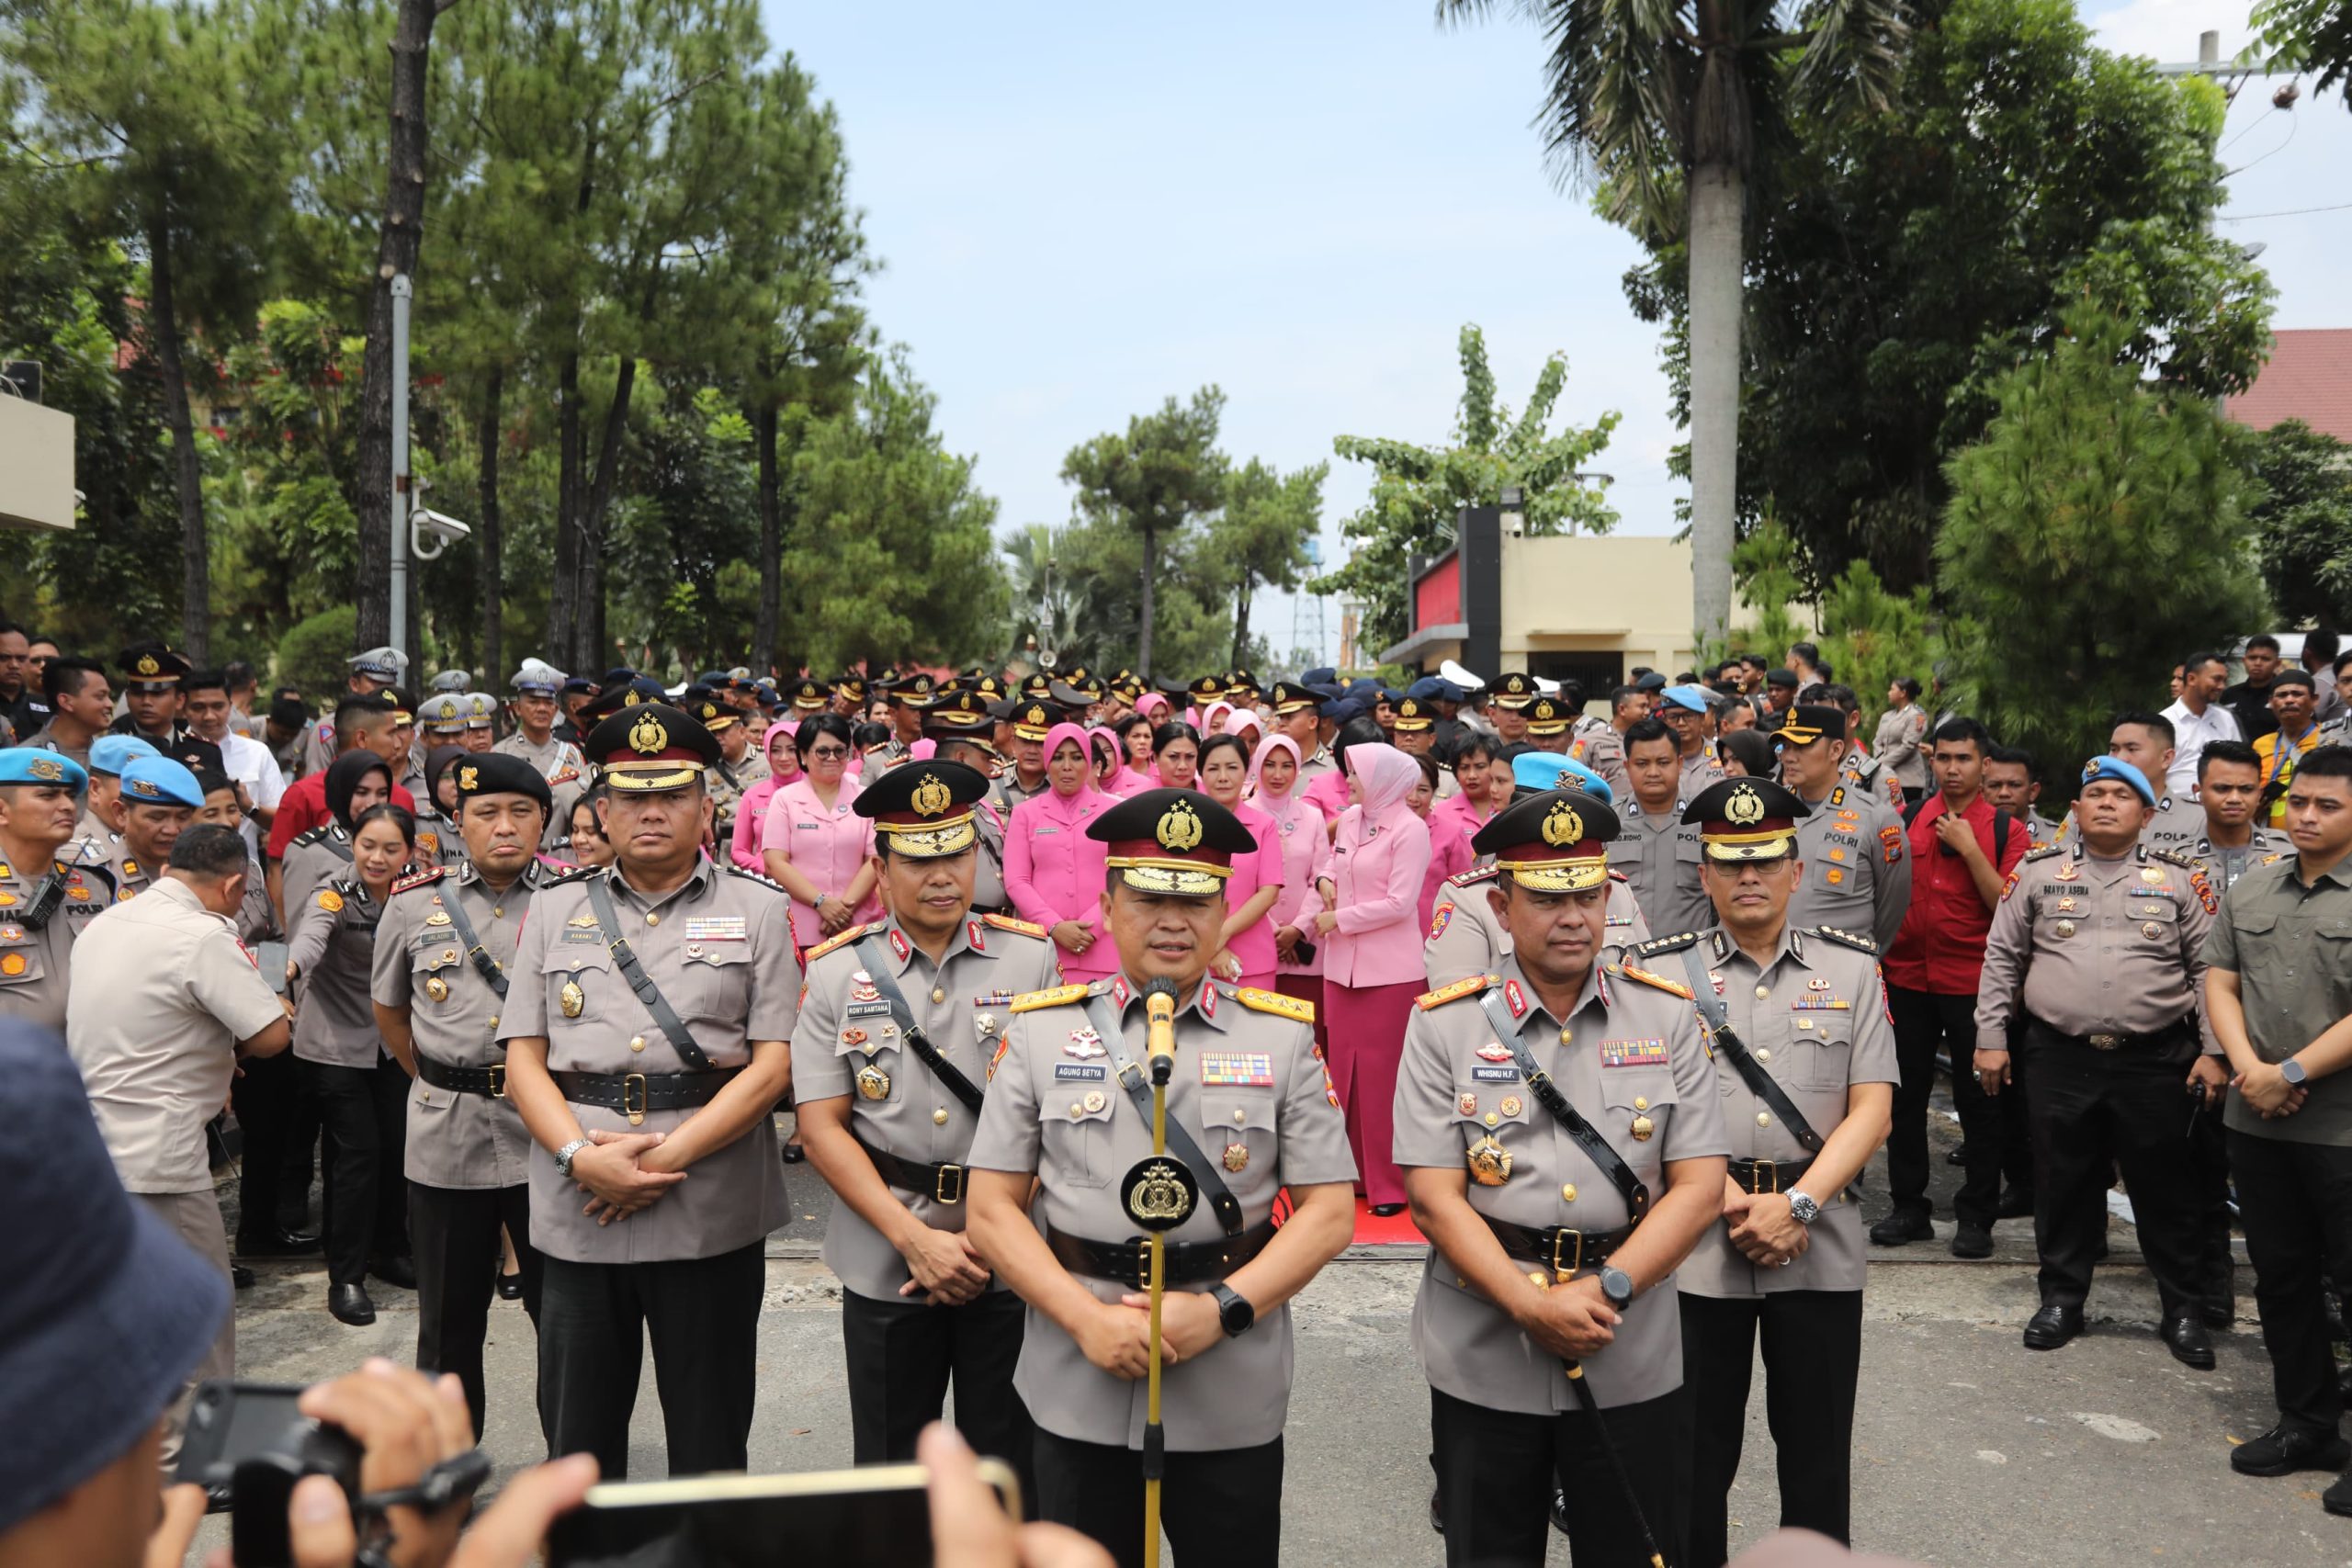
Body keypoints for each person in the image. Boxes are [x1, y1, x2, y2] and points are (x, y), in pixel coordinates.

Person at [964, 786, 1358, 1568]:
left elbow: (1328, 1212)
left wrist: (1224, 1310)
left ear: (1224, 912)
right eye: (1148, 897)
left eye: (1198, 900)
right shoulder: (1044, 1031)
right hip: (1079, 1370)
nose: (1174, 921)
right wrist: (1083, 1319)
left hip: (1229, 1372)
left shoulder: (1279, 1038)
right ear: (1107, 906)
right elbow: (992, 1210)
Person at [1394, 784, 1726, 1568]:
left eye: (1587, 893)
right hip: (1485, 1341)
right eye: (1547, 897)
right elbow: (1433, 1197)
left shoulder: (1669, 1015)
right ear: (1503, 908)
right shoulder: (1445, 1023)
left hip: (1628, 1341)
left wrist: (1606, 1289)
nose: (1573, 915)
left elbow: (1700, 1186)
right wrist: (1527, 1303)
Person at [498, 702, 797, 1479]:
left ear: (707, 805)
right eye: (632, 796)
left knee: (709, 1433)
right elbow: (523, 1058)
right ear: (602, 808)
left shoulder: (759, 909)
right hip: (579, 1206)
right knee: (579, 1442)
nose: (652, 812)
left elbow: (772, 1065)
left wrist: (665, 1156)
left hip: (709, 1202)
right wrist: (575, 1155)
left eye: (672, 794)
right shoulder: (554, 909)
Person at [1642, 778, 1897, 1567]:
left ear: (1794, 868)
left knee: (1818, 1459)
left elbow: (1873, 1106)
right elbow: (1644, 1107)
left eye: (1765, 860)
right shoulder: (1657, 973)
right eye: (1730, 862)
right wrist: (1720, 1197)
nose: (1748, 876)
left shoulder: (1852, 970)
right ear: (1705, 875)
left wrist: (1798, 1203)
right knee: (1691, 1459)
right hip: (1696, 1245)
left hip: (1817, 1238)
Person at [792, 760, 1058, 1491]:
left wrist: (982, 1234)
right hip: (886, 1252)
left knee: (1005, 1471)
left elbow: (1054, 1120)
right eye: (918, 857)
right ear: (880, 868)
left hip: (1003, 1252)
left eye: (956, 851)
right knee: (890, 1472)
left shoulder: (1031, 958)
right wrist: (915, 1239)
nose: (942, 873)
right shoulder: (836, 973)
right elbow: (821, 1127)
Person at [1972, 755, 2222, 1367]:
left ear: (2145, 811)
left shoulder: (2180, 880)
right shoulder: (2035, 874)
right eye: (2095, 794)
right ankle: (2062, 1298)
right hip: (2059, 1054)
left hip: (2157, 1057)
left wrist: (2215, 1049)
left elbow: (2209, 971)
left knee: (2166, 1186)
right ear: (2076, 811)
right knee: (2062, 1181)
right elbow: (2002, 957)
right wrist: (1990, 1035)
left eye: (2121, 794)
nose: (2107, 802)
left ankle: (2183, 1308)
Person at [63, 822, 289, 1463]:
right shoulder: (202, 934)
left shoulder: (108, 919)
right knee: (196, 1304)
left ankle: (135, 1443)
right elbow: (271, 1036)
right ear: (234, 884)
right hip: (158, 1150)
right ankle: (191, 1454)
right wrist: (247, 1027)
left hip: (97, 1141)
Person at [372, 754, 557, 1439]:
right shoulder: (413, 901)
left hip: (548, 1137)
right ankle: (446, 1468)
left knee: (563, 1318)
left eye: (520, 812)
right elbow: (391, 1013)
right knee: (448, 1324)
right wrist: (438, 1076)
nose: (503, 828)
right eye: (486, 813)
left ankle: (570, 1462)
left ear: (544, 820)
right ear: (458, 821)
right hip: (445, 1135)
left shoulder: (574, 899)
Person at [2204, 746, 2352, 1511]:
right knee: (2284, 1277)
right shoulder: (2255, 886)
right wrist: (2249, 1068)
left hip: (2342, 1130)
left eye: (2328, 805)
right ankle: (2307, 1423)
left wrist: (2287, 1073)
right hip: (2257, 1121)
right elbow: (2219, 978)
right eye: (2299, 802)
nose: (2308, 816)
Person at [1873, 718, 2032, 1257]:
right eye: (1943, 758)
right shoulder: (1911, 817)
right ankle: (1908, 1209)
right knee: (1903, 1100)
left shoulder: (2009, 833)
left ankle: (1976, 1216)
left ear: (1984, 765)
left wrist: (1969, 848)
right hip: (1907, 981)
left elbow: (2008, 910)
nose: (1952, 768)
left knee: (1981, 1105)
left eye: (1963, 758)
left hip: (1974, 987)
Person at [288, 798, 418, 1325]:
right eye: (368, 846)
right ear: (352, 844)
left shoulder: (420, 891)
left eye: (391, 848)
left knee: (397, 1149)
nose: (378, 858)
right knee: (357, 1155)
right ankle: (345, 1275)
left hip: (394, 1043)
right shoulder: (334, 892)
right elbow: (309, 938)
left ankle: (390, 1250)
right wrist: (289, 970)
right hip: (337, 1043)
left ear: (408, 851)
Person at [1316, 742, 1432, 1218]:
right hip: (1341, 970)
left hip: (1390, 974)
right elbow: (1333, 862)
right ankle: (1353, 1175)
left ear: (1381, 778)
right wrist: (1324, 880)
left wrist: (1338, 918)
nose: (1348, 782)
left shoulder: (1411, 829)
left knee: (1384, 1078)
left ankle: (1389, 1185)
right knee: (1342, 1073)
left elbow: (1400, 903)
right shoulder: (1349, 819)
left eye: (1355, 774)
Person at [1426, 754, 1651, 989]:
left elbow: (1642, 987)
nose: (1572, 919)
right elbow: (1458, 1008)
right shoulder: (1468, 900)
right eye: (1546, 900)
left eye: (1589, 898)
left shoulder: (1617, 890)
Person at [1772, 704, 1912, 953]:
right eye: (1785, 746)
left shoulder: (1875, 818)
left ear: (1836, 750)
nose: (1789, 757)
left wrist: (1866, 956)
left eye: (1802, 746)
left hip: (1844, 972)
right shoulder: (1771, 811)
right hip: (1778, 965)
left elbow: (1892, 905)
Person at [0, 748, 112, 1031]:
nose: (67, 806)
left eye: (70, 796)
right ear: (2, 810)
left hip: (87, 1061)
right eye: (48, 795)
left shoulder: (94, 885)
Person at [1006, 721, 1118, 987]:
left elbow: (1123, 877)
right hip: (1043, 949)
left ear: (1090, 763)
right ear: (1047, 762)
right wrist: (1055, 927)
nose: (1067, 766)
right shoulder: (1026, 814)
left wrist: (1093, 926)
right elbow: (1016, 881)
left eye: (1077, 757)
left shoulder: (1113, 813)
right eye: (1058, 757)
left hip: (1104, 948)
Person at [760, 711, 880, 949]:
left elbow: (874, 859)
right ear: (803, 755)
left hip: (859, 926)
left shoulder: (866, 797)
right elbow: (775, 862)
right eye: (822, 751)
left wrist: (843, 909)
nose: (832, 758)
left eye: (839, 750)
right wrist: (821, 903)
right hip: (803, 926)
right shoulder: (784, 799)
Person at [1609, 716, 1711, 939]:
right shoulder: (1608, 823)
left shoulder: (1705, 822)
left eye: (1663, 763)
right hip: (1625, 956)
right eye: (1642, 764)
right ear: (1627, 766)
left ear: (1680, 763)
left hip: (1691, 955)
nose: (1653, 772)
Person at [282, 749, 399, 923]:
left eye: (382, 793)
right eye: (361, 792)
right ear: (341, 793)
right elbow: (300, 936)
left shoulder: (399, 846)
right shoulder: (308, 853)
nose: (373, 803)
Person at [183, 666, 286, 832]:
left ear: (230, 707)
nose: (209, 716)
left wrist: (250, 807)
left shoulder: (257, 753)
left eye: (218, 706)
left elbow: (283, 820)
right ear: (183, 707)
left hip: (244, 856)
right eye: (198, 707)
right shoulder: (172, 751)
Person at [2189, 739, 2290, 892]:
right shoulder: (2177, 861)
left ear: (2259, 794)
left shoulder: (2290, 856)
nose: (2235, 799)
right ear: (2199, 792)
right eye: (2222, 788)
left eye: (2246, 789)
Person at [98, 754, 203, 899]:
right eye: (157, 817)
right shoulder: (100, 879)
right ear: (121, 813)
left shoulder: (206, 874)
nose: (172, 830)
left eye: (182, 817)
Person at [298, 645, 411, 776]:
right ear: (354, 684)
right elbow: (317, 782)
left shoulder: (400, 723)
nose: (383, 692)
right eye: (376, 683)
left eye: (389, 685)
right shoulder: (329, 728)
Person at [2164, 652, 2242, 800]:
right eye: (2216, 679)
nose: (2222, 686)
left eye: (2224, 681)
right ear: (2192, 679)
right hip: (2177, 809)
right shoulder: (2165, 722)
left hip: (2223, 806)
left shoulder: (2226, 719)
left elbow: (2239, 762)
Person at [2254, 669, 2324, 828]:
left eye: (2297, 694)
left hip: (2318, 831)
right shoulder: (2260, 745)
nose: (2289, 700)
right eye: (2282, 695)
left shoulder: (2329, 738)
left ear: (2314, 700)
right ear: (2271, 702)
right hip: (2269, 836)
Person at [729, 718, 799, 871]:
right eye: (775, 750)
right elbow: (738, 851)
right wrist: (768, 868)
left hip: (813, 886)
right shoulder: (752, 796)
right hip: (770, 884)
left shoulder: (817, 790)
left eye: (792, 749)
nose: (783, 757)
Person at [22, 655, 111, 767]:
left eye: (109, 696)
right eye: (100, 697)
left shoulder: (112, 756)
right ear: (66, 701)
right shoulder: (26, 759)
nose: (110, 704)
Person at [108, 642, 192, 746]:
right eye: (138, 693)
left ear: (180, 700)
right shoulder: (113, 749)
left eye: (157, 694)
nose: (146, 701)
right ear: (127, 698)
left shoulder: (204, 751)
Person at [989, 700, 1060, 817]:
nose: (1032, 751)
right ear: (1013, 743)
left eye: (1040, 743)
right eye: (1026, 742)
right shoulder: (991, 785)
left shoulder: (1062, 788)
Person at [1661, 684, 1725, 796]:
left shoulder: (1721, 754)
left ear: (1702, 718)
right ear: (1665, 720)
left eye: (1688, 716)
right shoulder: (1657, 758)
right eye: (1673, 717)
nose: (1681, 723)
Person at [1874, 678, 1930, 804]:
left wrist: (1882, 764)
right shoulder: (1887, 716)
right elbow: (1877, 741)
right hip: (1884, 778)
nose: (1888, 693)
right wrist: (1878, 760)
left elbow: (1908, 746)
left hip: (1907, 780)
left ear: (1903, 693)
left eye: (1892, 689)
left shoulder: (1917, 715)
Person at [2222, 634, 2283, 746]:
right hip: (2236, 760)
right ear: (2244, 660)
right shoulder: (2229, 695)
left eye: (2265, 659)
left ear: (2277, 663)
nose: (2257, 663)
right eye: (2252, 658)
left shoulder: (2285, 696)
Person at [1149, 719, 1200, 791]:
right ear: (1155, 758)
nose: (1182, 766)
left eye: (1190, 757)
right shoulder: (1136, 799)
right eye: (1173, 756)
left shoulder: (1211, 796)